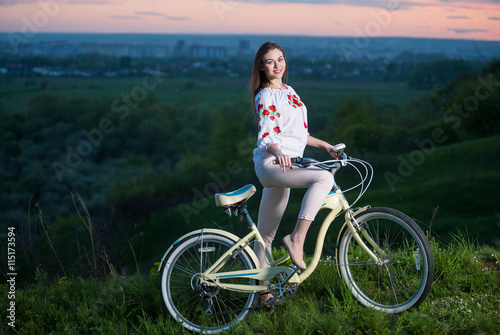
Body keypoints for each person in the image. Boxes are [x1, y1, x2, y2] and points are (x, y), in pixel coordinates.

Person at [249, 41, 339, 272]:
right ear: (262, 67)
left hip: (285, 165)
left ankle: (262, 293)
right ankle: (297, 238)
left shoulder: (289, 92)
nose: (277, 65)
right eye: (270, 61)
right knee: (324, 178)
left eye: (280, 59)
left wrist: (326, 145)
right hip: (273, 164)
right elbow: (268, 135)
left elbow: (300, 135)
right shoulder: (265, 96)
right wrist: (278, 153)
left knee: (265, 237)